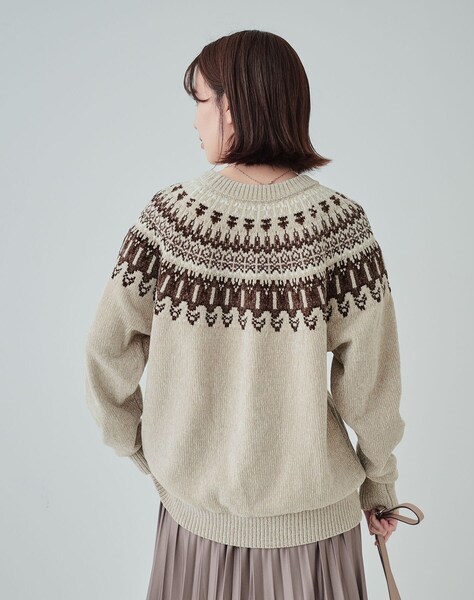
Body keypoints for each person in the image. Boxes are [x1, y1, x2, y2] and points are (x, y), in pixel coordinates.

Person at [84, 29, 405, 600]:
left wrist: (146, 451)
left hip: (196, 530)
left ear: (232, 107)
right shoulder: (340, 226)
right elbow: (371, 385)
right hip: (316, 535)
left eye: (200, 101)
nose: (194, 121)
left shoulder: (169, 221)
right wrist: (379, 484)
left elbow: (107, 352)